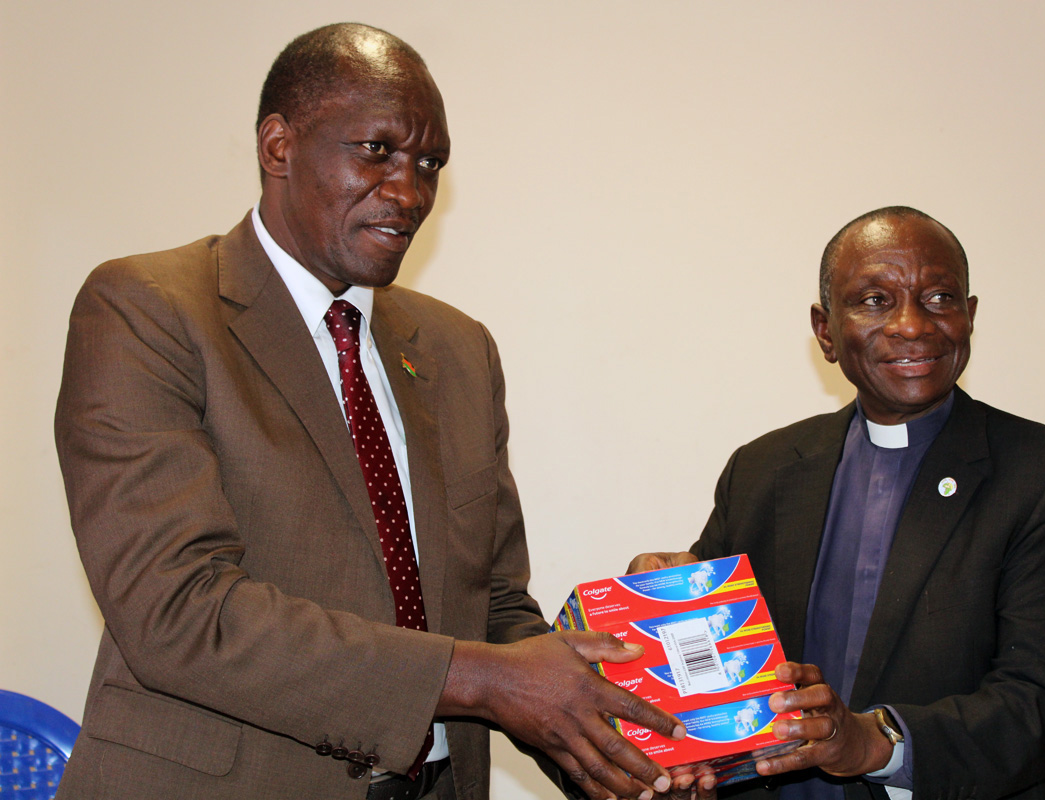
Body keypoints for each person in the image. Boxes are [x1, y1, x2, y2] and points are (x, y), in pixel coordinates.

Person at [54, 23, 683, 800]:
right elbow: (179, 610)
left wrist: (615, 738)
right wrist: (486, 681)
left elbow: (488, 603)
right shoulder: (148, 309)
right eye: (377, 151)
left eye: (430, 163)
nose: (410, 191)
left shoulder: (459, 348)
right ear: (278, 146)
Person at [632, 207, 1045, 800]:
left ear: (970, 316)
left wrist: (876, 742)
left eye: (938, 298)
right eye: (875, 300)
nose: (913, 325)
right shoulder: (763, 468)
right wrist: (665, 606)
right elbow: (716, 670)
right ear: (825, 330)